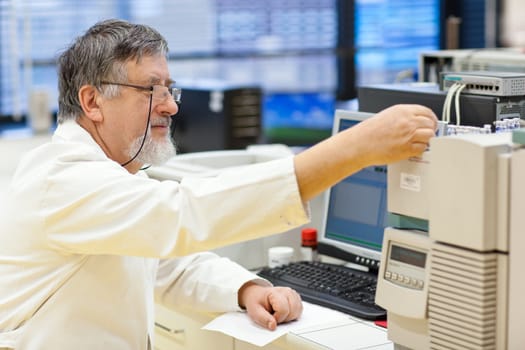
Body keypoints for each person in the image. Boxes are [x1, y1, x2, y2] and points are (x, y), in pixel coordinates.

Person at [0, 19, 437, 349]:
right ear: (92, 101)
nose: (170, 106)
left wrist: (244, 289)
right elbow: (182, 215)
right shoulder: (63, 181)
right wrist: (353, 149)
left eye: (171, 89)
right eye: (152, 90)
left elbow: (161, 261)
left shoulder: (106, 176)